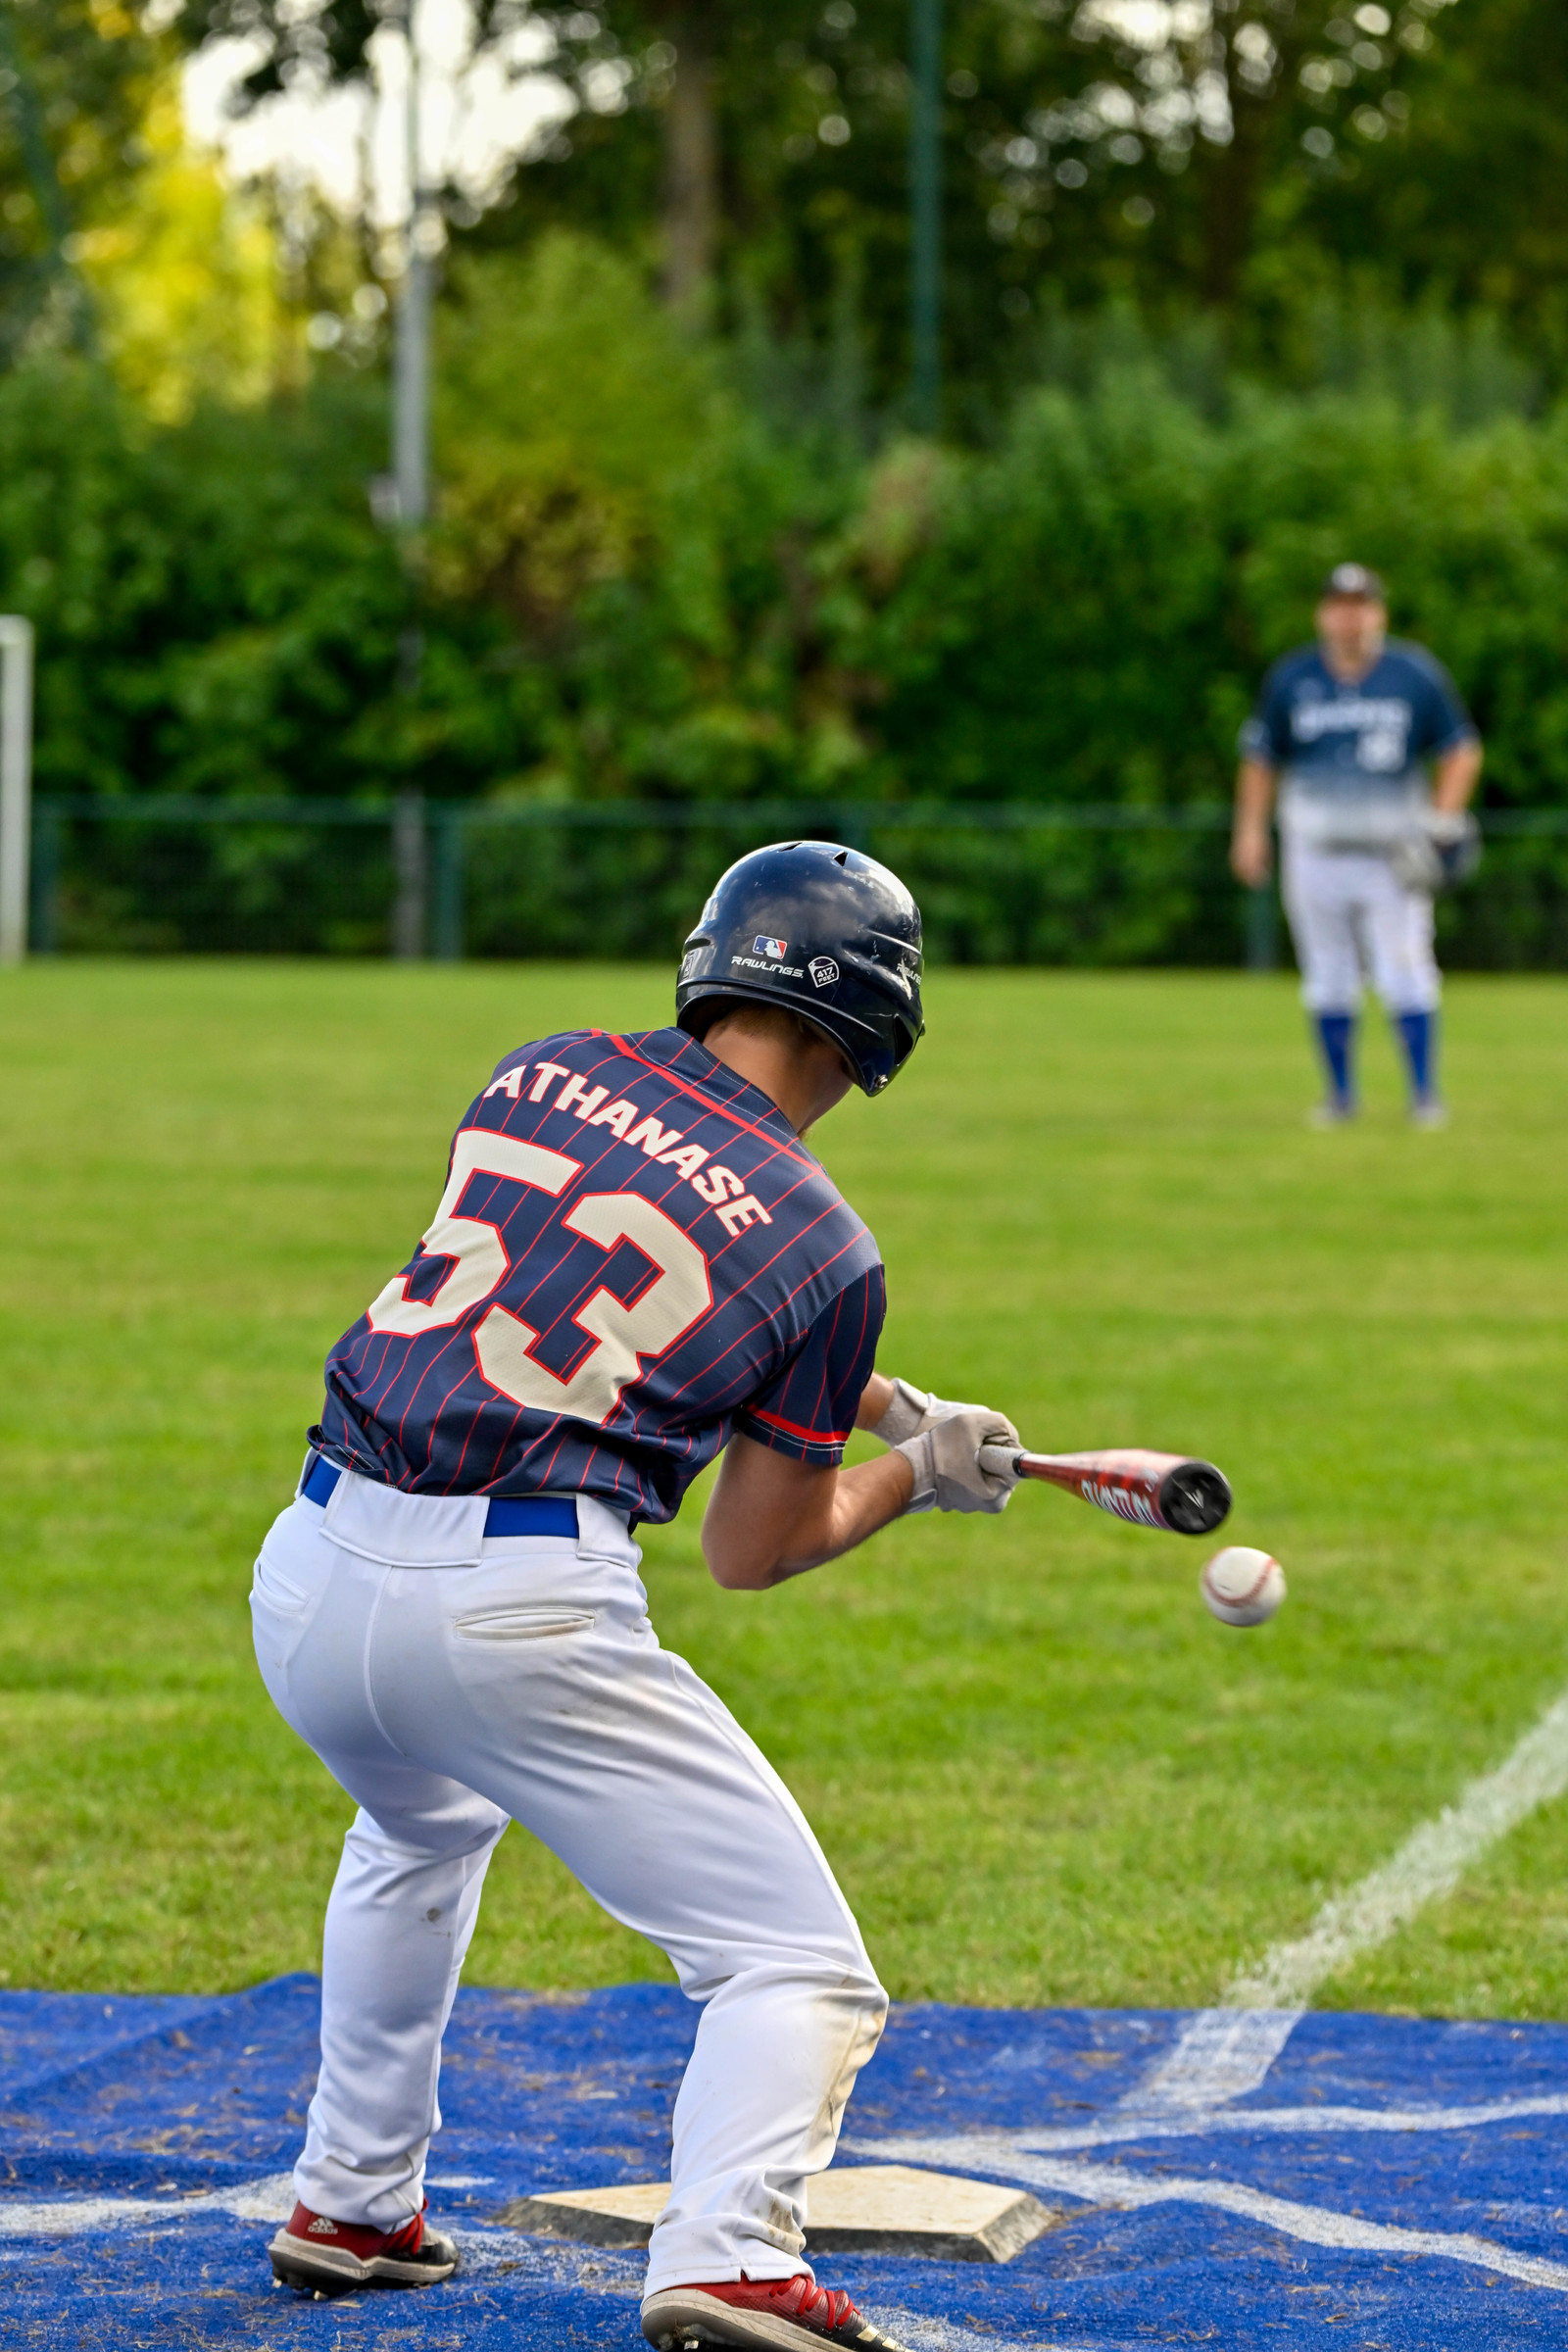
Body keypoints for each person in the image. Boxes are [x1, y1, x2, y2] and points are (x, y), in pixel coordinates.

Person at [252, 840, 1022, 2352]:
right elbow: (757, 1546)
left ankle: (349, 2199)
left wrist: (865, 1403)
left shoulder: (542, 1070)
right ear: (876, 1020)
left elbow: (590, 1273)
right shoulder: (823, 1241)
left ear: (717, 956)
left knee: (418, 1824)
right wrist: (919, 1475)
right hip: (514, 1604)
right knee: (795, 1966)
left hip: (313, 1564)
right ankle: (731, 2254)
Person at [1231, 563, 1483, 1127]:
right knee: (1327, 972)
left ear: (1379, 613)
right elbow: (1260, 757)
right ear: (1323, 614)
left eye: (1361, 605)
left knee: (1406, 969)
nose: (1350, 616)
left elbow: (1460, 748)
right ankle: (1340, 1097)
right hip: (1314, 849)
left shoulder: (1412, 675)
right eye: (1340, 605)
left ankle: (1424, 1095)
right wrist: (1250, 830)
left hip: (1394, 854)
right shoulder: (1293, 678)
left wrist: (1443, 819)